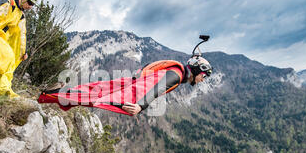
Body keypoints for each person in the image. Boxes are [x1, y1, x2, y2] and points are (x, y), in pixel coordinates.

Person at [37, 55, 213, 116]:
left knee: (94, 89)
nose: (202, 80)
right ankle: (49, 96)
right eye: (203, 76)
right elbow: (156, 89)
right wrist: (140, 106)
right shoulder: (176, 74)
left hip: (129, 82)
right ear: (197, 71)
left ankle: (54, 93)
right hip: (131, 89)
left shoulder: (176, 70)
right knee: (94, 97)